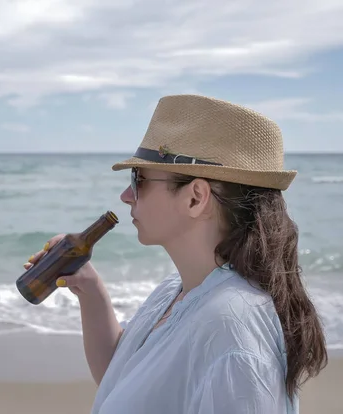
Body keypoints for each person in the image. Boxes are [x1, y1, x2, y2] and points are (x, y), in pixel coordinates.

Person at [24, 94, 328, 413]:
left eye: (139, 179)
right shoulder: (180, 289)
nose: (126, 195)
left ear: (195, 198)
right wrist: (90, 290)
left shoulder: (232, 326)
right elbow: (124, 381)